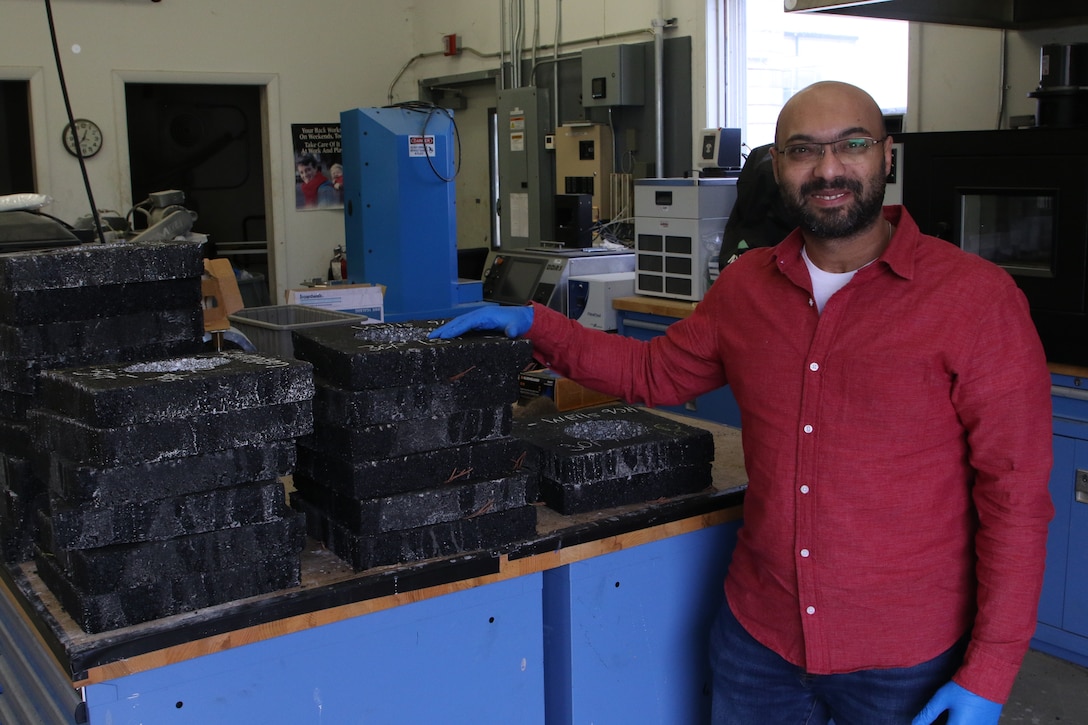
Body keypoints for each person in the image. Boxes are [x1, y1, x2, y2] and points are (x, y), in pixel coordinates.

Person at [431, 81, 1054, 725]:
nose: (829, 168)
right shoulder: (748, 286)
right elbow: (654, 369)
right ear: (778, 167)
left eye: (853, 145)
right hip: (759, 644)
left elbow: (1015, 499)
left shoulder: (977, 302)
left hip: (904, 659)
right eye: (802, 150)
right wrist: (537, 325)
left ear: (887, 156)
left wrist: (991, 670)